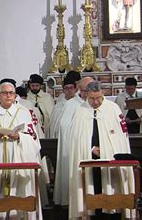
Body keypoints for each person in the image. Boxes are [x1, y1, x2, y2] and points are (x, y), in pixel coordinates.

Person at [0, 82, 42, 220]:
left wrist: (19, 137)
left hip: (18, 160)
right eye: (4, 93)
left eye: (11, 93)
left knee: (19, 195)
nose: (8, 95)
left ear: (15, 95)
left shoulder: (24, 113)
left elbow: (34, 140)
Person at [69, 81, 135, 219]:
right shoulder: (80, 111)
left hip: (110, 160)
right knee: (93, 191)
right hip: (89, 159)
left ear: (103, 93)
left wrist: (107, 148)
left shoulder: (113, 108)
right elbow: (76, 139)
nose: (95, 102)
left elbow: (121, 137)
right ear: (86, 95)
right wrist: (91, 148)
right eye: (92, 98)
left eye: (98, 98)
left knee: (112, 189)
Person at [53, 77, 93, 207]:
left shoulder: (96, 103)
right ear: (80, 90)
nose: (88, 93)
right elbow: (65, 128)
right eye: (86, 90)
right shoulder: (72, 104)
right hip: (77, 150)